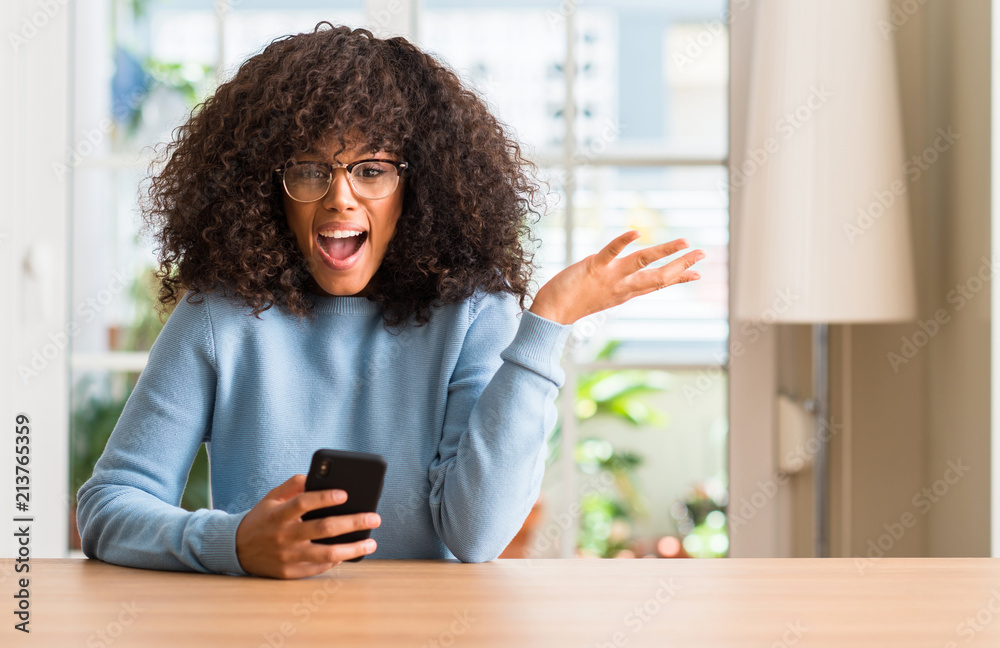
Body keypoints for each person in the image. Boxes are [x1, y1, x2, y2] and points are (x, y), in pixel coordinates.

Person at [76, 23, 705, 580]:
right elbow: (109, 507)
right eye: (309, 169)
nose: (340, 199)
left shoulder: (472, 313)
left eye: (371, 170)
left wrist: (547, 323)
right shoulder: (219, 316)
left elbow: (478, 535)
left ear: (417, 187)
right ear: (268, 190)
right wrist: (234, 543)